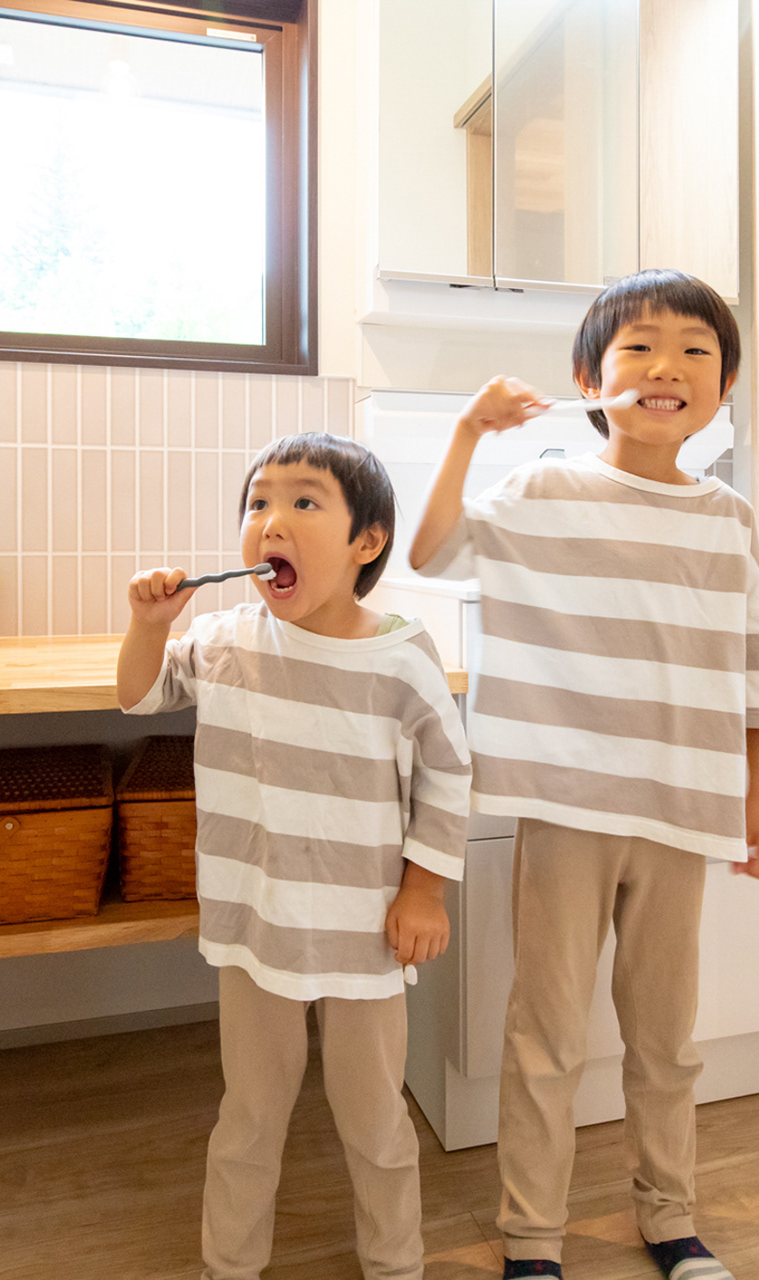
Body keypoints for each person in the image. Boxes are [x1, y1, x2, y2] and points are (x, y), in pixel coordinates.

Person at [409, 269, 759, 1280]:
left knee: (666, 1037)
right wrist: (468, 431)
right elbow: (432, 552)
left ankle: (670, 1217)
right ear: (590, 378)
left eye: (696, 351)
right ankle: (532, 1240)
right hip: (568, 806)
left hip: (680, 811)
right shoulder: (545, 491)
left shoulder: (728, 518)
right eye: (640, 346)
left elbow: (756, 661)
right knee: (545, 1033)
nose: (667, 366)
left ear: (724, 387)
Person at [118, 432, 473, 1280]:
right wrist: (147, 626)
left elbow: (449, 777)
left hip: (366, 931)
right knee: (249, 1115)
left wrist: (424, 892)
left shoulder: (401, 655)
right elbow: (138, 694)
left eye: (303, 501)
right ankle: (229, 1264)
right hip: (257, 927)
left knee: (376, 1122)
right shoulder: (225, 638)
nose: (271, 521)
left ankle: (396, 1265)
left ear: (366, 542)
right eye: (258, 503)